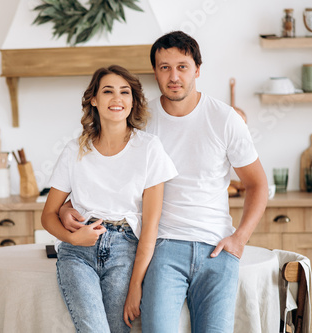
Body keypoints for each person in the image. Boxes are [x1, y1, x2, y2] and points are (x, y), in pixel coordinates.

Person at [60, 31, 269, 332]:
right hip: (161, 248)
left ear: (197, 70)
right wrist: (68, 205)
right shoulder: (140, 120)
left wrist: (240, 239)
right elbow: (103, 172)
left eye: (182, 66)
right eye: (164, 67)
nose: (174, 76)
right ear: (155, 73)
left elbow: (257, 184)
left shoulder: (225, 119)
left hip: (215, 248)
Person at [41, 64, 177, 333]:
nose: (117, 99)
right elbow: (48, 215)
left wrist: (136, 285)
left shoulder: (149, 148)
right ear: (94, 99)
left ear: (133, 100)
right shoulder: (74, 150)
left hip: (125, 249)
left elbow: (151, 225)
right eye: (108, 91)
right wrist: (72, 238)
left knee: (117, 329)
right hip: (78, 252)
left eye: (125, 92)